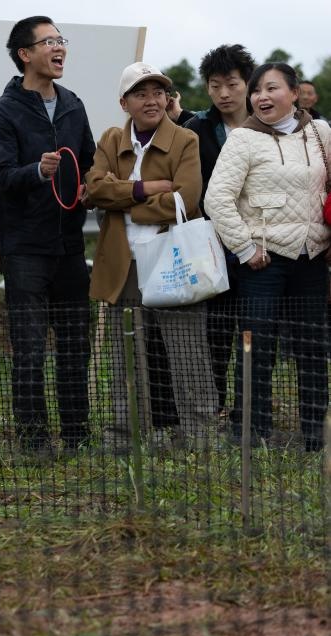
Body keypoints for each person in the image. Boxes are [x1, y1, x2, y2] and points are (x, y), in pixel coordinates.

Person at [85, 62, 215, 450]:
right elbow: (94, 190)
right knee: (126, 353)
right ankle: (124, 435)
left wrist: (126, 201)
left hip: (172, 257)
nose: (152, 100)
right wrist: (145, 189)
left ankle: (201, 434)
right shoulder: (110, 138)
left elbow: (187, 198)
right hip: (122, 261)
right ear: (124, 102)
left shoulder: (184, 139)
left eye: (159, 92)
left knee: (187, 351)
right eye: (141, 93)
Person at [205, 62, 331, 451]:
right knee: (257, 348)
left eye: (272, 88)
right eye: (257, 90)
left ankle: (315, 434)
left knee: (313, 350)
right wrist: (245, 248)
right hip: (264, 261)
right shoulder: (242, 139)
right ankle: (253, 433)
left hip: (312, 256)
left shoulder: (321, 132)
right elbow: (217, 199)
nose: (261, 96)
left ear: (294, 94)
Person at [0, 16, 94, 454]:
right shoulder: (3, 111)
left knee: (75, 346)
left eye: (61, 40)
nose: (59, 48)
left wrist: (90, 185)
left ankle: (78, 435)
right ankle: (33, 440)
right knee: (28, 349)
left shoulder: (73, 104)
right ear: (24, 54)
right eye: (49, 42)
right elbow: (3, 177)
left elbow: (87, 160)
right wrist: (37, 170)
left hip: (69, 243)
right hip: (25, 247)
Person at [184, 44, 256, 414]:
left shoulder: (269, 125)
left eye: (231, 84)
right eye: (215, 86)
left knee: (256, 329)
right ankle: (217, 407)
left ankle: (251, 408)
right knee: (215, 331)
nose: (224, 94)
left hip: (261, 241)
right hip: (212, 245)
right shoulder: (195, 128)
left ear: (248, 82)